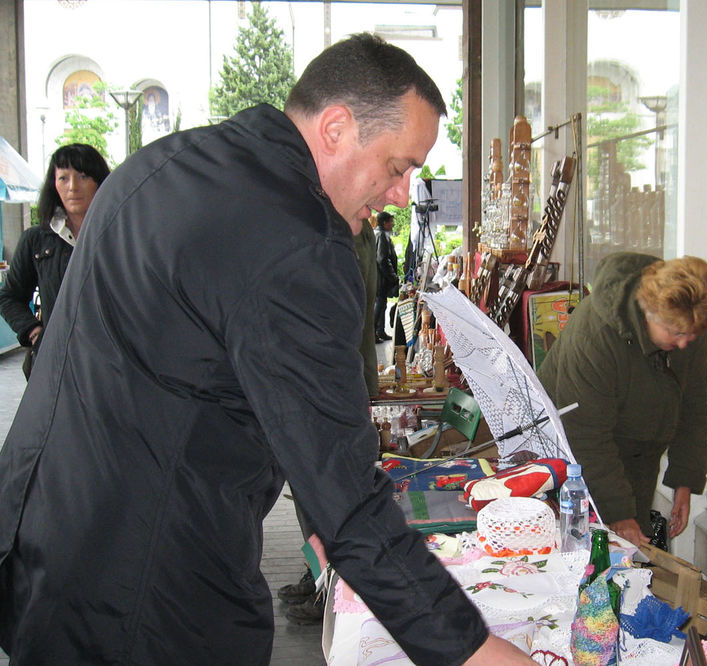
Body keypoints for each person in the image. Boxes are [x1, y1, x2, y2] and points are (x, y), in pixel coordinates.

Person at [0, 33, 531, 665]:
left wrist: (319, 517)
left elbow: (261, 399)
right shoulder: (298, 241)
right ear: (336, 127)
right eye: (398, 167)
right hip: (145, 595)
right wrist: (477, 653)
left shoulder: (165, 163)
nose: (399, 194)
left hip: (46, 544)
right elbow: (350, 504)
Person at [538, 253, 707, 548]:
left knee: (628, 553)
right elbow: (586, 434)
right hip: (572, 460)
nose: (686, 343)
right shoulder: (594, 334)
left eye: (694, 334)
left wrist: (685, 480)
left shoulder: (686, 321)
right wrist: (619, 513)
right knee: (584, 551)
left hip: (637, 455)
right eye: (676, 333)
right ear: (648, 310)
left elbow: (696, 405)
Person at [279, 214, 381, 625]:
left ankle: (330, 588)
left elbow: (339, 317)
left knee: (320, 498)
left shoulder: (348, 233)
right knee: (307, 500)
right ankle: (317, 572)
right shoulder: (347, 230)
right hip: (325, 381)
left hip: (329, 385)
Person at [0, 143, 110, 379]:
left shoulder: (118, 235)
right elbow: (8, 297)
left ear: (100, 182)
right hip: (57, 366)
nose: (73, 187)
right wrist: (35, 332)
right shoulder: (37, 240)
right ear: (54, 185)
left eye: (83, 176)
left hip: (110, 364)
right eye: (63, 178)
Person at [374, 209, 399, 341]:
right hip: (381, 278)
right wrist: (393, 277)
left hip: (377, 277)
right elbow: (382, 259)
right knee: (379, 304)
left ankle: (379, 331)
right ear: (385, 223)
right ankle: (374, 332)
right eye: (391, 222)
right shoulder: (382, 236)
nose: (392, 224)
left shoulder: (376, 234)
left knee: (381, 304)